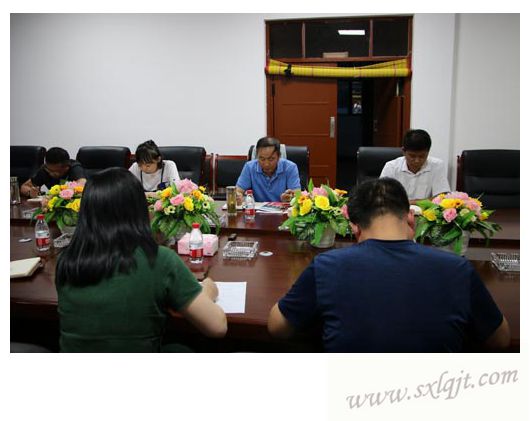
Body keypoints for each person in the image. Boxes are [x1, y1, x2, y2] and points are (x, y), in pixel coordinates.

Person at [268, 177, 510, 352]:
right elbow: (500, 339)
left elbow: (277, 327)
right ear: (411, 218)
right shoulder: (456, 268)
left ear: (354, 227)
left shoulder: (327, 266)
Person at [55, 168, 226, 352]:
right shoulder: (159, 259)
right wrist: (208, 290)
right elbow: (217, 326)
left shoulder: (67, 260)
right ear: (139, 209)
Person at [380, 129, 450, 204]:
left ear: (428, 152)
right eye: (412, 156)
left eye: (422, 156)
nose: (417, 160)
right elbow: (381, 195)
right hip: (397, 209)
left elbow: (442, 197)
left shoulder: (437, 165)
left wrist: (411, 203)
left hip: (426, 210)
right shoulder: (391, 167)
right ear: (403, 151)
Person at [236, 137, 301, 204]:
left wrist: (290, 198)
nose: (266, 164)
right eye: (262, 159)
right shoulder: (249, 167)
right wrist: (238, 196)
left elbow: (297, 195)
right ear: (257, 156)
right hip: (257, 209)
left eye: (271, 159)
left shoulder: (290, 167)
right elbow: (238, 191)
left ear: (279, 156)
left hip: (283, 209)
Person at [20, 147, 86, 197]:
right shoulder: (45, 170)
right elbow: (24, 186)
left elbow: (82, 185)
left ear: (66, 167)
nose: (51, 173)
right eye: (50, 170)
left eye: (56, 171)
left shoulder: (75, 168)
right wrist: (30, 192)